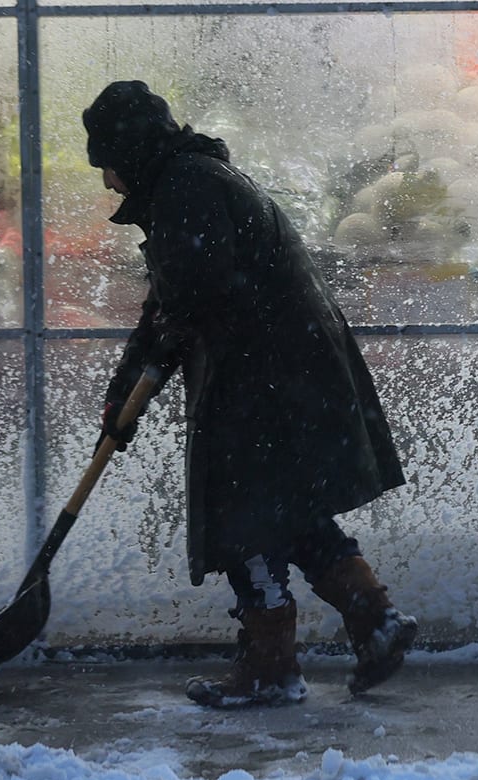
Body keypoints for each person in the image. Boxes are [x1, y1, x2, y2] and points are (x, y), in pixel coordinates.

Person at [84, 80, 416, 708]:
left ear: (131, 151)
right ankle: (375, 619)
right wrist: (124, 392)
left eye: (107, 162)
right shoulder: (190, 179)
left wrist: (148, 370)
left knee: (242, 514)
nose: (107, 182)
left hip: (265, 374)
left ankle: (269, 666)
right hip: (287, 366)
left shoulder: (186, 186)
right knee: (284, 504)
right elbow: (171, 301)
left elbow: (191, 295)